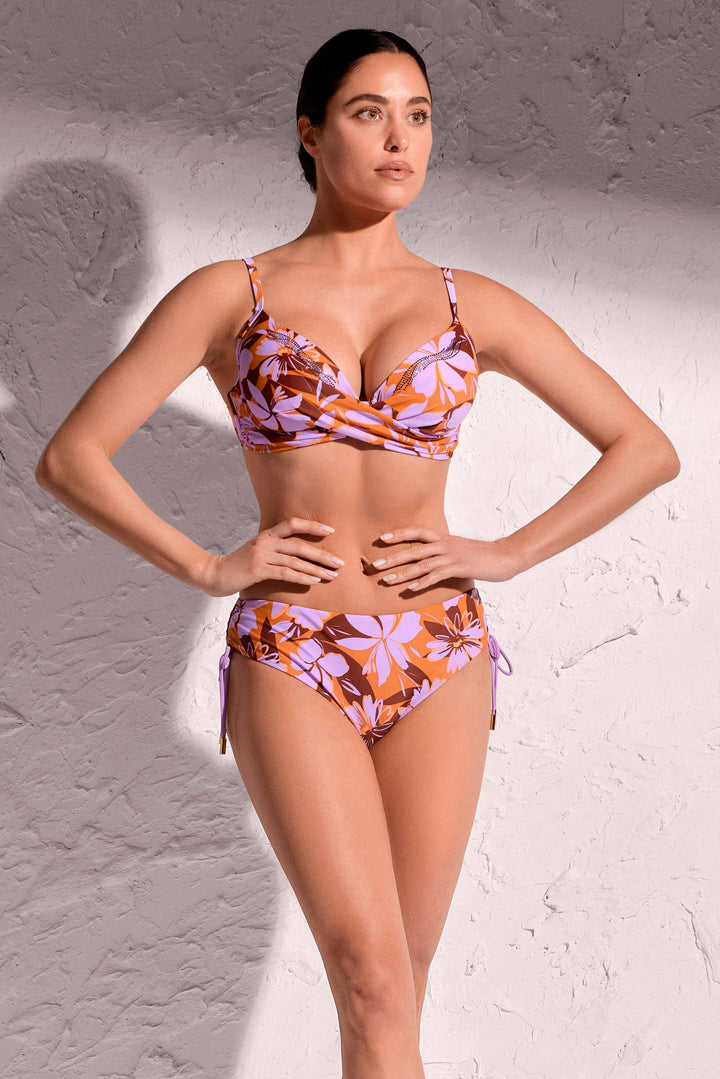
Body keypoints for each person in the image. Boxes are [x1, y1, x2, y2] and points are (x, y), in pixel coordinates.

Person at [35, 27, 680, 1079]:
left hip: (443, 653)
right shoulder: (231, 294)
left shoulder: (470, 303)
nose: (399, 139)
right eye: (368, 113)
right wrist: (206, 565)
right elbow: (72, 458)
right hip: (294, 650)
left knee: (396, 992)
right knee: (374, 981)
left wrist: (506, 551)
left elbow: (645, 447)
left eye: (417, 115)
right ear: (310, 131)